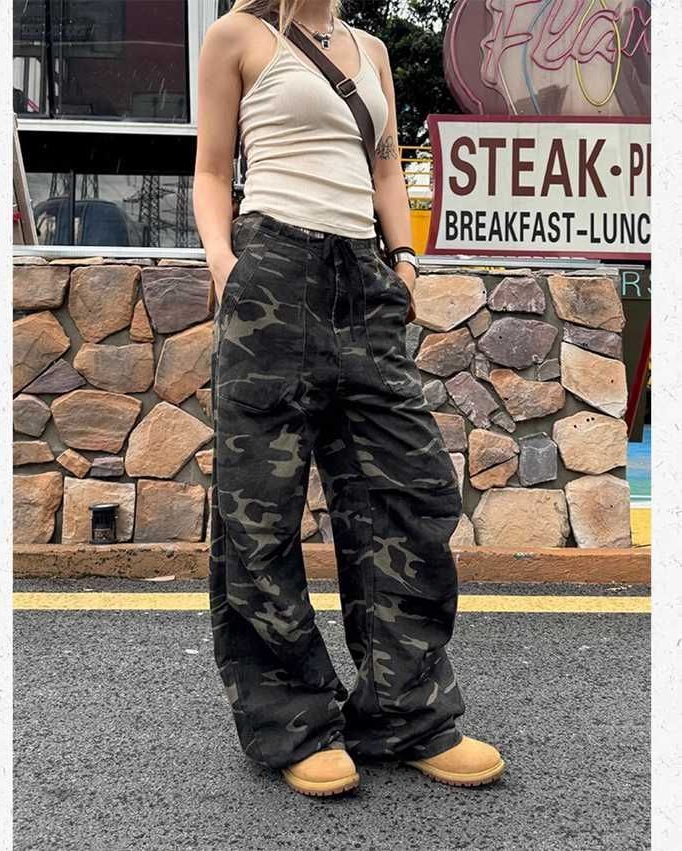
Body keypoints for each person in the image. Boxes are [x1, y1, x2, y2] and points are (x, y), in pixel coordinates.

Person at [192, 0, 505, 797]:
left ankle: (405, 711)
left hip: (365, 278)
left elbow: (385, 168)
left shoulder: (370, 49)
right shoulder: (239, 36)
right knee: (260, 510)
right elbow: (212, 170)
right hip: (272, 272)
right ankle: (294, 720)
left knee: (412, 489)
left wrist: (405, 260)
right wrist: (227, 265)